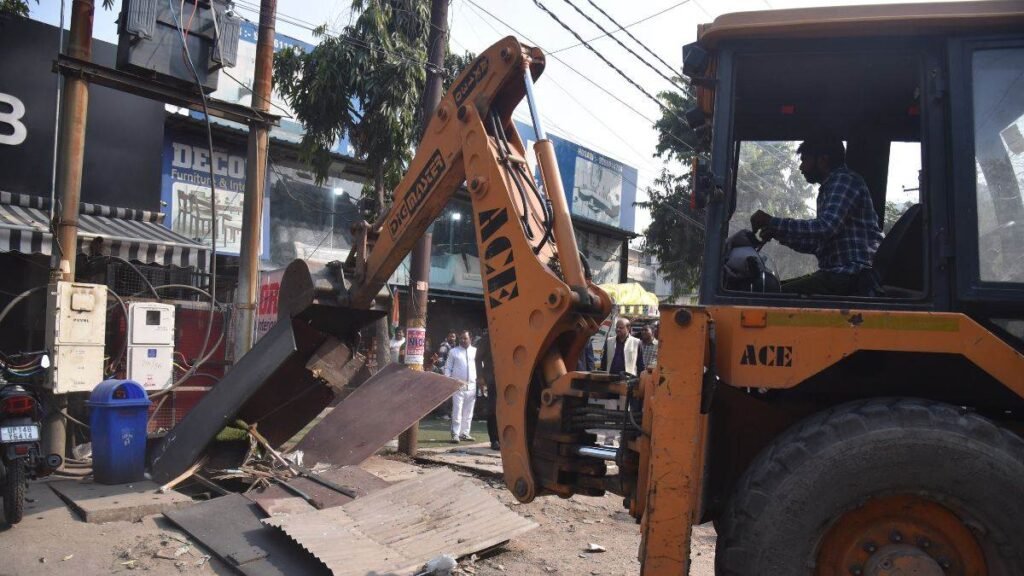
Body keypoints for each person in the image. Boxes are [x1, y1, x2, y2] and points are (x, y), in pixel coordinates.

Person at [749, 135, 883, 296]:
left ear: (823, 160)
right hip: (839, 275)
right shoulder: (830, 186)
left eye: (805, 160)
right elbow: (818, 245)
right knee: (773, 288)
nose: (801, 167)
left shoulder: (843, 180)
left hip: (851, 276)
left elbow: (826, 227)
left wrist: (772, 221)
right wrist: (778, 233)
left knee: (771, 296)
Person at [444, 331, 477, 443]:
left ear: (470, 338)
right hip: (457, 386)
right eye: (461, 338)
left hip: (472, 386)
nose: (463, 340)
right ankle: (455, 434)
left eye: (465, 338)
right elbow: (448, 367)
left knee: (469, 412)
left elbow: (479, 367)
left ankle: (465, 433)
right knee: (457, 411)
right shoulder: (454, 352)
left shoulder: (475, 351)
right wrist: (448, 380)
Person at [474, 333, 500, 450]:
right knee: (493, 408)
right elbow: (478, 358)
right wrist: (480, 377)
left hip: (508, 376)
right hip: (492, 377)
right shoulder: (487, 337)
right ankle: (494, 439)